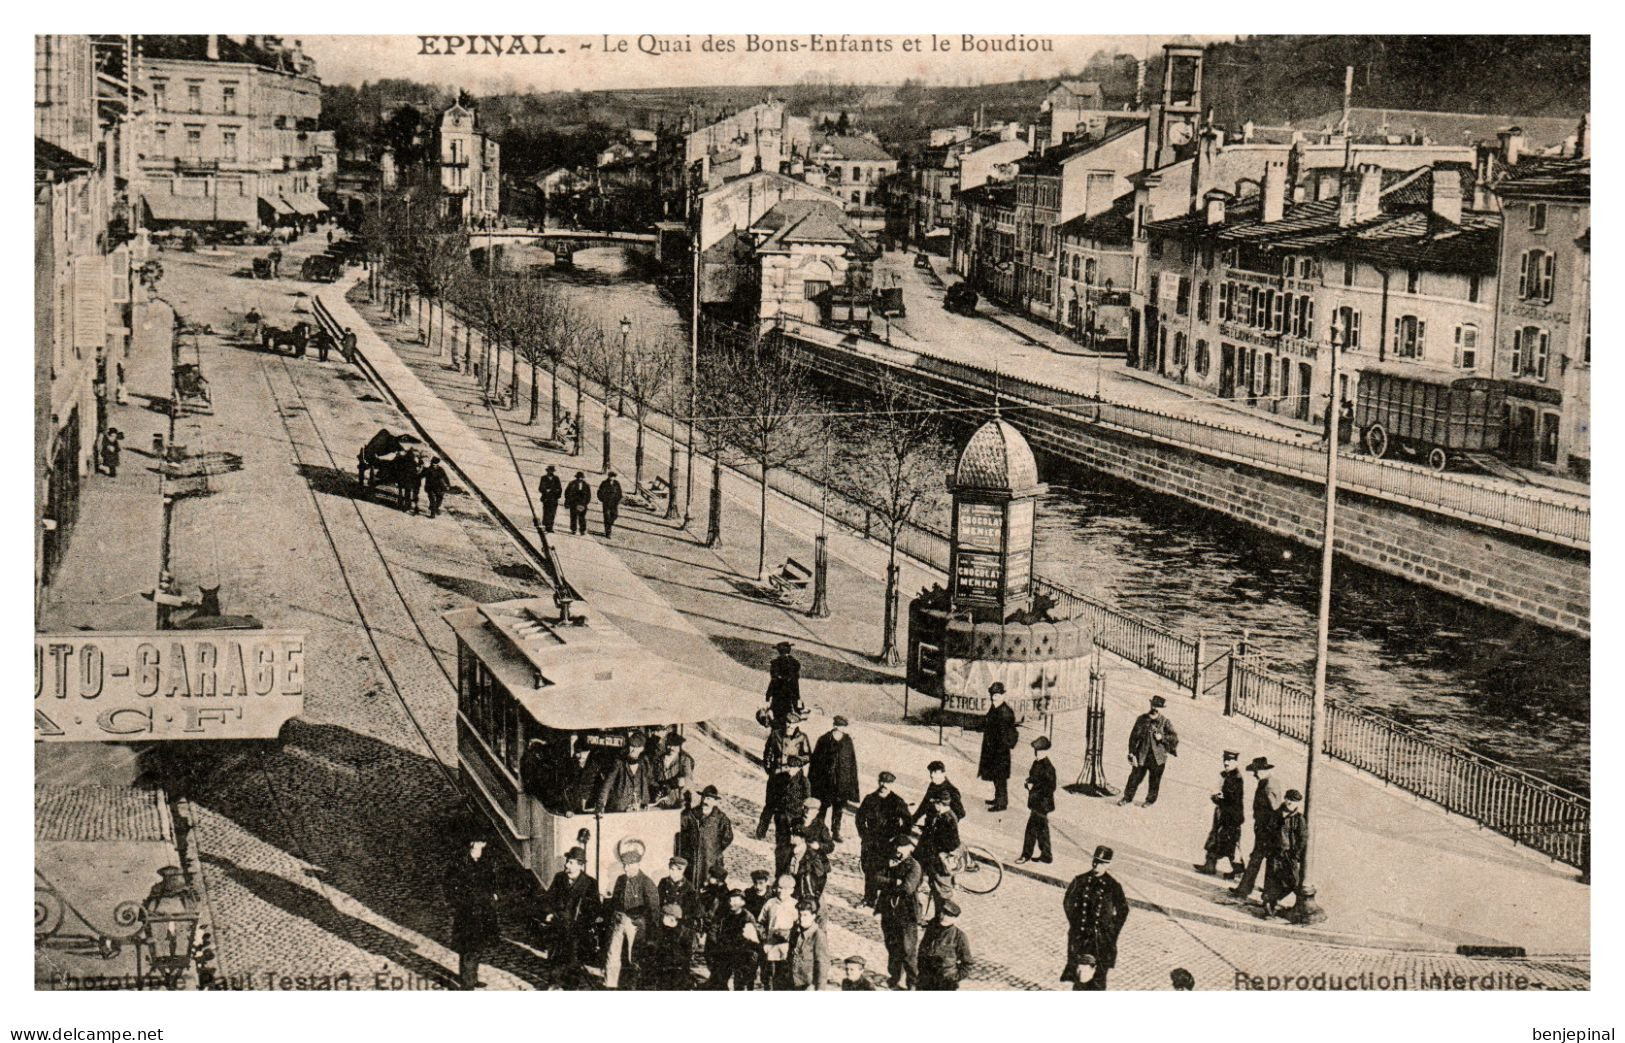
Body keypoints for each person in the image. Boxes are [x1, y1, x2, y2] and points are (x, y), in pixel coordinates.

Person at [1062, 846, 1130, 991]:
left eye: (1101, 863)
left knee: (1098, 980)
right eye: (1095, 861)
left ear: (1108, 865)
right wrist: (1076, 923)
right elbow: (1068, 902)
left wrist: (1112, 930)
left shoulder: (1113, 886)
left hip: (1102, 941)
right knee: (1080, 979)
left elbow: (1123, 910)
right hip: (1083, 939)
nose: (1096, 866)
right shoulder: (1080, 880)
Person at [442, 838, 502, 990]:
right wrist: (457, 903)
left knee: (478, 946)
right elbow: (449, 885)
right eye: (480, 842)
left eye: (483, 842)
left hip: (484, 911)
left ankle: (472, 978)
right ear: (472, 844)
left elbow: (492, 880)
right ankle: (467, 983)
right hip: (467, 912)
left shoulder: (485, 861)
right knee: (468, 947)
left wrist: (494, 893)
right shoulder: (460, 862)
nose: (483, 845)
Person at [603, 838, 661, 989]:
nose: (626, 868)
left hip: (635, 923)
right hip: (619, 920)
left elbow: (654, 909)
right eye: (624, 865)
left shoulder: (647, 883)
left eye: (629, 865)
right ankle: (610, 984)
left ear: (637, 864)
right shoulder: (621, 880)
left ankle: (633, 986)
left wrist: (650, 931)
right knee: (612, 954)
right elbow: (615, 900)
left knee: (633, 956)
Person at [540, 846, 600, 984]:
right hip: (557, 924)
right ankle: (554, 984)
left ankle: (570, 987)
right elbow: (548, 898)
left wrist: (583, 924)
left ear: (580, 865)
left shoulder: (590, 883)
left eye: (571, 863)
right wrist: (548, 913)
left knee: (573, 961)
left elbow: (594, 908)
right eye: (567, 861)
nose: (566, 865)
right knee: (554, 957)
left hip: (576, 930)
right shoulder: (559, 878)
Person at [876, 834, 924, 990]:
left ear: (909, 848)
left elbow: (907, 888)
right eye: (896, 847)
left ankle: (913, 982)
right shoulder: (890, 861)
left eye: (901, 848)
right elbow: (875, 878)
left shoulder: (914, 866)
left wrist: (890, 881)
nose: (898, 850)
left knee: (908, 950)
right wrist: (894, 880)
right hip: (888, 911)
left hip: (906, 914)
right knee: (891, 946)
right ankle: (894, 977)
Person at [855, 771, 911, 906]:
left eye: (888, 783)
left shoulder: (897, 802)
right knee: (868, 869)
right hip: (871, 841)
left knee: (884, 871)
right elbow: (859, 818)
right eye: (882, 781)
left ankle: (885, 900)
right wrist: (864, 834)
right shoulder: (870, 799)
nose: (884, 785)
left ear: (892, 784)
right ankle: (869, 898)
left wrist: (899, 839)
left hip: (888, 842)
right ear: (878, 781)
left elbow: (908, 821)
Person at [1231, 757, 1282, 901]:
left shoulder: (1268, 786)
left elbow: (1274, 809)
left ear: (1263, 770)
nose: (1254, 774)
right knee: (1258, 859)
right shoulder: (1268, 782)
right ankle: (1248, 889)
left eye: (1256, 771)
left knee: (1258, 859)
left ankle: (1247, 890)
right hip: (1265, 829)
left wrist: (1267, 828)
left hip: (1266, 831)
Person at [1119, 695, 1179, 807]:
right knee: (1134, 778)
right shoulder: (1141, 719)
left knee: (1154, 781)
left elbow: (1174, 738)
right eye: (1154, 705)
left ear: (1162, 708)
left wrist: (1162, 738)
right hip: (1142, 754)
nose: (1155, 708)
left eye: (1158, 707)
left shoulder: (1165, 722)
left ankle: (1150, 800)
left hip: (1158, 758)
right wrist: (1132, 752)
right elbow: (1133, 737)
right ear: (1150, 704)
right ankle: (1127, 798)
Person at [811, 716, 860, 843]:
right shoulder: (824, 740)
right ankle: (818, 831)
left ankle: (835, 832)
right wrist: (812, 781)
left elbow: (852, 763)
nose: (840, 729)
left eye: (842, 727)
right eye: (837, 726)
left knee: (838, 809)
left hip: (841, 782)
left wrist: (852, 783)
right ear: (834, 726)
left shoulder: (848, 741)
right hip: (825, 781)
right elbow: (815, 762)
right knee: (822, 808)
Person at [1197, 751, 1246, 878]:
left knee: (1229, 843)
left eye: (1229, 761)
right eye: (1225, 760)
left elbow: (1230, 800)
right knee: (1215, 838)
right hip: (1223, 813)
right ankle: (1209, 866)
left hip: (1231, 816)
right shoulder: (1228, 776)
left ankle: (1238, 869)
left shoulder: (1235, 779)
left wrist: (1217, 798)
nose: (1226, 763)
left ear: (1236, 762)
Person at [1262, 789, 1307, 919]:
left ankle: (1274, 899)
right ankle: (1269, 906)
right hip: (1274, 853)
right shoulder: (1275, 814)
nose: (1289, 802)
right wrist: (1267, 848)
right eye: (1288, 799)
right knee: (1271, 880)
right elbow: (1267, 832)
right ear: (1285, 798)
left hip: (1289, 855)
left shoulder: (1299, 819)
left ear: (1297, 803)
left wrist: (1296, 854)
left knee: (1293, 882)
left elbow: (1303, 838)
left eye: (1293, 801)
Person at [678, 786, 734, 889]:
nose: (705, 801)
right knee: (691, 885)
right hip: (692, 860)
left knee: (710, 886)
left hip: (710, 860)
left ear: (714, 801)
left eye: (708, 799)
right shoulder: (691, 815)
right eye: (703, 797)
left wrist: (714, 849)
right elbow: (681, 832)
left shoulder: (721, 818)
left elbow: (728, 837)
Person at [978, 682, 1020, 811]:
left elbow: (1006, 735)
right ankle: (997, 799)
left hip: (1000, 752)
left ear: (1002, 695)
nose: (994, 697)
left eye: (997, 694)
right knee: (996, 777)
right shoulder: (995, 707)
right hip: (993, 750)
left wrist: (999, 750)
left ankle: (1001, 804)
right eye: (992, 694)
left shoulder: (1005, 712)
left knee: (1000, 778)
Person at [707, 889, 759, 990]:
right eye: (730, 900)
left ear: (743, 902)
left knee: (740, 983)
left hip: (742, 953)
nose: (732, 903)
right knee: (719, 980)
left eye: (735, 900)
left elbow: (754, 937)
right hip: (725, 952)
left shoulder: (748, 917)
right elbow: (713, 931)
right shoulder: (723, 915)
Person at [756, 873, 800, 990]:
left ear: (791, 890)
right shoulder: (770, 903)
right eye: (779, 888)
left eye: (785, 889)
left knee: (783, 976)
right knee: (768, 975)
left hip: (786, 947)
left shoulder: (795, 905)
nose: (781, 891)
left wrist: (790, 934)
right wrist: (764, 936)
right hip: (770, 946)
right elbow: (760, 922)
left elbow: (798, 926)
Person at [918, 898, 973, 991]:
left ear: (954, 919)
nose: (943, 916)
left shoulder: (959, 936)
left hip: (945, 983)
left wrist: (954, 978)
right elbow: (922, 949)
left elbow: (967, 964)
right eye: (943, 912)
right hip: (926, 978)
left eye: (948, 915)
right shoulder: (932, 927)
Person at [1017, 735, 1056, 865]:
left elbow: (1050, 787)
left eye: (1039, 751)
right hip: (1037, 803)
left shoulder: (1048, 768)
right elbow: (1033, 777)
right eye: (1036, 750)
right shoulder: (1037, 763)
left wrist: (1033, 787)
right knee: (1042, 830)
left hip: (1042, 804)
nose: (1036, 753)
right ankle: (1046, 855)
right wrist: (1029, 782)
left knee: (1031, 829)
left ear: (1045, 752)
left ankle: (1026, 855)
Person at [916, 792, 961, 899]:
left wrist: (938, 849)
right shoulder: (941, 814)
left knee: (936, 878)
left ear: (940, 804)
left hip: (937, 853)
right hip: (931, 848)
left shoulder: (948, 818)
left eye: (935, 803)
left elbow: (952, 842)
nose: (934, 805)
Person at [758, 753, 810, 846]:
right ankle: (761, 832)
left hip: (794, 808)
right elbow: (773, 789)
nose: (791, 769)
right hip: (779, 804)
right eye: (790, 766)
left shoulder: (804, 782)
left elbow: (807, 799)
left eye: (794, 767)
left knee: (794, 825)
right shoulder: (781, 777)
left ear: (799, 768)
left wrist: (803, 810)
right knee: (768, 811)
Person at [596, 733, 653, 813]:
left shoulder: (644, 762)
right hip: (620, 808)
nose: (633, 750)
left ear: (642, 749)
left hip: (639, 807)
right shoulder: (619, 762)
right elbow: (607, 784)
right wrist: (601, 804)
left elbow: (650, 781)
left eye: (637, 747)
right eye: (632, 746)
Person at [642, 903, 694, 990]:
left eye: (664, 915)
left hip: (675, 971)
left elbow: (686, 955)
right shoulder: (668, 930)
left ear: (672, 918)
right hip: (668, 969)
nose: (662, 918)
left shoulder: (682, 933)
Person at [786, 900, 829, 990]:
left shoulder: (818, 935)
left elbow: (822, 964)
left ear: (813, 916)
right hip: (792, 982)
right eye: (800, 915)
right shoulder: (795, 931)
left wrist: (818, 987)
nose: (802, 918)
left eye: (805, 915)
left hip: (808, 985)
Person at [765, 642, 803, 730]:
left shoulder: (776, 663)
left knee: (777, 715)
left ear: (779, 651)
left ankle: (776, 734)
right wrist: (797, 697)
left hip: (778, 694)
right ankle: (784, 732)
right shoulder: (795, 664)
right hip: (790, 695)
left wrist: (768, 695)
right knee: (787, 715)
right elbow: (795, 683)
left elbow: (773, 681)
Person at [654, 732, 696, 809]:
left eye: (675, 745)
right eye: (669, 745)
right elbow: (654, 777)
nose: (671, 748)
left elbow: (688, 778)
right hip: (661, 801)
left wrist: (672, 784)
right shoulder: (659, 760)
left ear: (679, 746)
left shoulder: (684, 760)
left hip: (678, 800)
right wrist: (657, 789)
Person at [659, 856, 700, 923]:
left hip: (679, 922)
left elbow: (692, 911)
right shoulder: (663, 882)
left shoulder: (688, 887)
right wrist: (663, 917)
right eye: (672, 869)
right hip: (664, 919)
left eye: (678, 870)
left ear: (683, 870)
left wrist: (680, 918)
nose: (674, 872)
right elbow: (658, 903)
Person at [597, 471, 623, 537]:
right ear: (608, 476)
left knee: (615, 515)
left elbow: (619, 493)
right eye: (610, 476)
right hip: (606, 503)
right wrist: (603, 499)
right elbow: (599, 492)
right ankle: (608, 532)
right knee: (607, 517)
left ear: (614, 477)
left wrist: (618, 500)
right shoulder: (604, 483)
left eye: (613, 477)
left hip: (614, 503)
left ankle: (609, 525)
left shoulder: (617, 483)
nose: (611, 478)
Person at [538, 465, 563, 533]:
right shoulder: (543, 478)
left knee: (552, 513)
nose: (550, 472)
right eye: (549, 471)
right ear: (547, 471)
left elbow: (560, 489)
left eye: (552, 471)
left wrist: (554, 492)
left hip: (554, 499)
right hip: (546, 498)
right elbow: (540, 488)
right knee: (546, 513)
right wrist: (546, 491)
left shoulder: (556, 478)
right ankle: (545, 527)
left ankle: (550, 527)